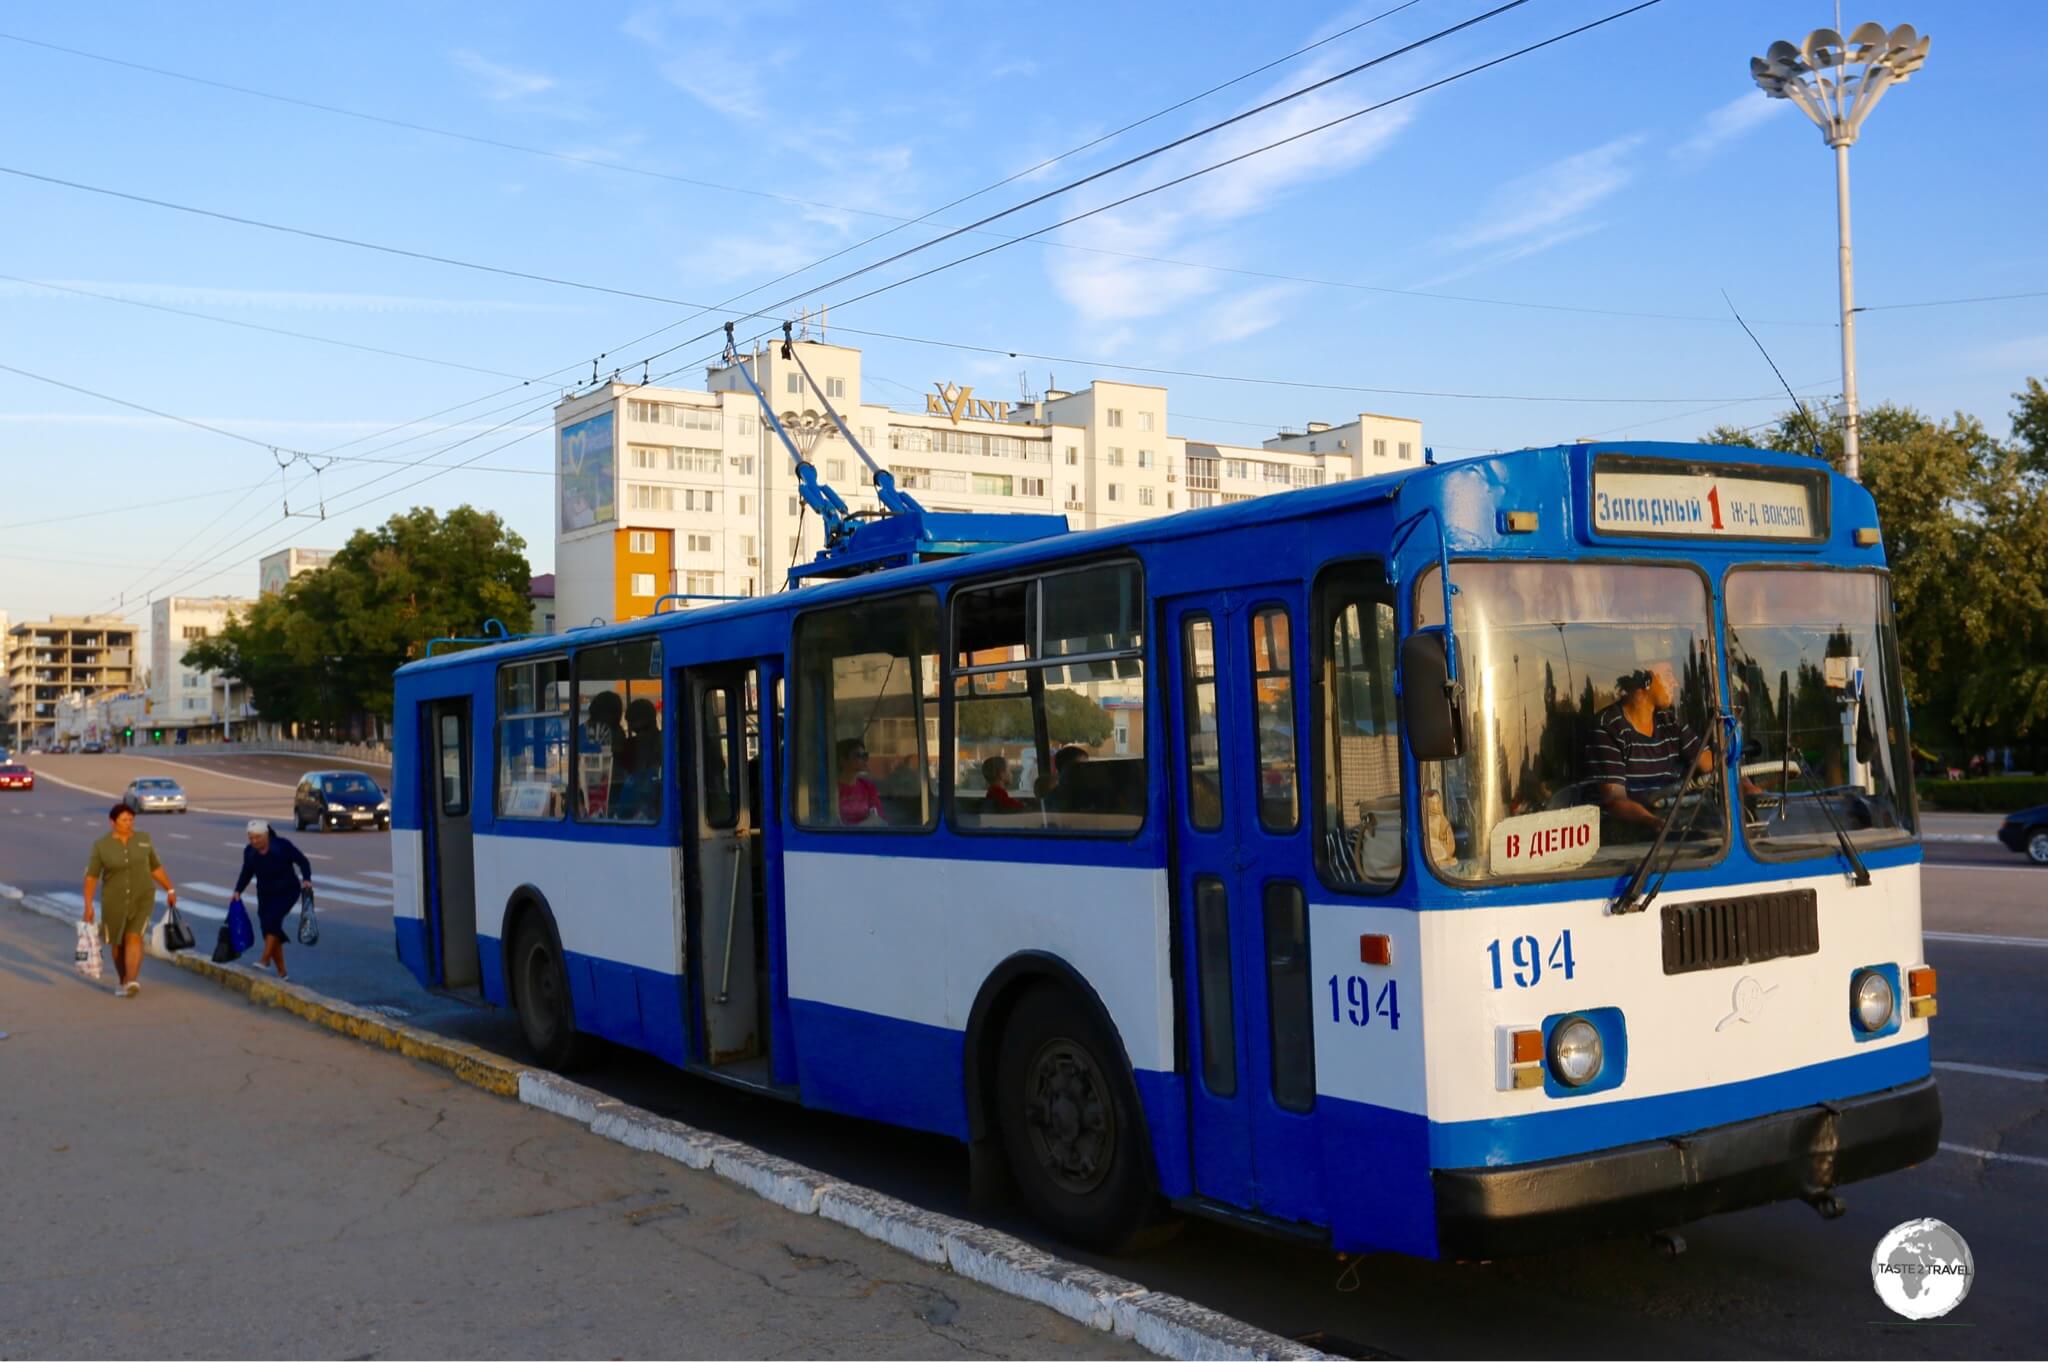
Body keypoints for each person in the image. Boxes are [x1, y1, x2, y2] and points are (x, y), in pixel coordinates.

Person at [1583, 663, 1714, 831]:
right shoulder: (1608, 728)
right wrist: (1653, 822)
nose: (1675, 683)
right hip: (1632, 838)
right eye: (1667, 675)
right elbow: (1615, 801)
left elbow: (1712, 765)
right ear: (1644, 680)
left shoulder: (1669, 722)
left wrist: (1747, 787)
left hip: (1676, 827)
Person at [82, 802, 178, 997]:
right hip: (113, 900)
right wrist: (88, 905)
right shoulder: (101, 845)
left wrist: (170, 888)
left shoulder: (144, 839)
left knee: (134, 936)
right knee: (117, 943)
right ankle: (123, 979)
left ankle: (132, 980)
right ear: (112, 822)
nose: (128, 823)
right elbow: (92, 876)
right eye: (124, 820)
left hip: (142, 896)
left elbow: (155, 867)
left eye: (131, 819)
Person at [232, 819, 313, 980]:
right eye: (251, 838)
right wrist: (238, 891)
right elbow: (246, 872)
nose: (254, 841)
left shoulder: (282, 846)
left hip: (287, 891)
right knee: (268, 928)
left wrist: (306, 878)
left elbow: (302, 861)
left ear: (266, 835)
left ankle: (265, 960)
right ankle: (282, 972)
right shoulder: (249, 852)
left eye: (258, 838)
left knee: (273, 921)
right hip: (265, 893)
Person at [836, 736, 884, 825]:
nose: (864, 759)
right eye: (858, 755)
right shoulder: (833, 789)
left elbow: (879, 817)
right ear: (843, 760)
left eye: (865, 755)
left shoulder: (868, 787)